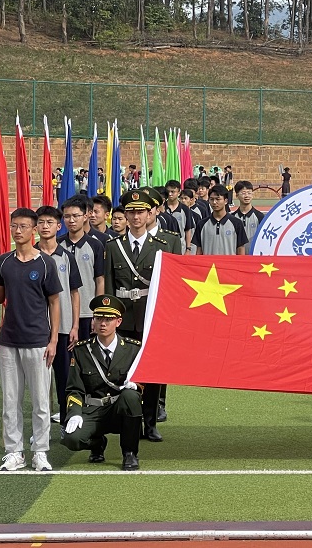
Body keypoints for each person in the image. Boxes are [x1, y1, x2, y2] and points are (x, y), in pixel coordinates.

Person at [0, 208, 62, 471]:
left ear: (33, 230)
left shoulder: (45, 264)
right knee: (10, 401)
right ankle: (14, 451)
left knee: (41, 402)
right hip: (8, 341)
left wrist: (53, 340)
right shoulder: (3, 262)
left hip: (38, 341)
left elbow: (55, 302)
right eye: (14, 226)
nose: (17, 231)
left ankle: (40, 451)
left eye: (23, 227)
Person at [104, 189, 174, 442]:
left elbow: (171, 285)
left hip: (151, 316)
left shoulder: (165, 245)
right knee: (123, 371)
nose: (135, 217)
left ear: (149, 214)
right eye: (131, 212)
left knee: (152, 372)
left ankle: (150, 422)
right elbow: (110, 286)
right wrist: (110, 318)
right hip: (123, 318)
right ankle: (125, 420)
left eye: (140, 212)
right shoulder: (113, 246)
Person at [62, 295, 143, 471]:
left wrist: (137, 386)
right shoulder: (82, 350)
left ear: (118, 321)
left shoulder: (133, 349)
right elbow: (74, 389)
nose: (103, 323)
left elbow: (146, 381)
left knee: (131, 396)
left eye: (108, 319)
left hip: (119, 409)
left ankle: (129, 453)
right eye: (98, 318)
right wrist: (75, 413)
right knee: (71, 439)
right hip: (93, 410)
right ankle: (97, 443)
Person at [36, 205, 83, 427]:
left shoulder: (66, 257)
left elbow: (75, 293)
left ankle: (66, 423)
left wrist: (74, 325)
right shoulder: (29, 255)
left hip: (63, 328)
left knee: (64, 379)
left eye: (50, 222)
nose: (45, 226)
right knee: (39, 383)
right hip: (35, 328)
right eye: (41, 222)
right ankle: (41, 428)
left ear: (58, 225)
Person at [59, 196, 106, 342]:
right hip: (61, 312)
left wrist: (97, 313)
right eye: (67, 216)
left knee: (87, 358)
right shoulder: (56, 244)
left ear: (85, 216)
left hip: (87, 312)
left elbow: (100, 281)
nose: (71, 220)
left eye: (75, 216)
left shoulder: (95, 245)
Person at [193, 184, 249, 255]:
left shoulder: (237, 223)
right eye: (211, 199)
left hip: (228, 265)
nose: (214, 202)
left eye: (218, 199)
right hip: (209, 265)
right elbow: (199, 250)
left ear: (225, 201)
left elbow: (240, 249)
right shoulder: (202, 224)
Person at [164, 180, 195, 254]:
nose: (170, 194)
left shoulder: (185, 209)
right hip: (164, 245)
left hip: (181, 246)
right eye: (168, 191)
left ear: (179, 192)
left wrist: (188, 249)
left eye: (173, 191)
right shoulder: (162, 208)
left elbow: (188, 230)